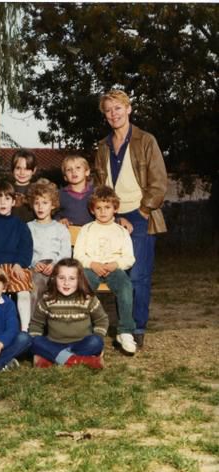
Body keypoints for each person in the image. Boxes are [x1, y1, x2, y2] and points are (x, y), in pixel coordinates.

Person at [94, 89, 167, 347]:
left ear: (129, 109)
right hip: (111, 217)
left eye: (118, 108)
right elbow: (99, 185)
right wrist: (108, 216)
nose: (114, 114)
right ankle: (123, 328)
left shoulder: (146, 141)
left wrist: (143, 211)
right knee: (120, 276)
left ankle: (137, 329)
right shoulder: (103, 146)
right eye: (108, 110)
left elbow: (159, 184)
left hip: (140, 215)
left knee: (138, 276)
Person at [73, 186, 137, 355]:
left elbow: (129, 258)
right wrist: (92, 264)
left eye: (107, 207)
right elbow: (78, 255)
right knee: (85, 288)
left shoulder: (121, 231)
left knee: (125, 287)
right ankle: (84, 331)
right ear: (92, 210)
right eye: (98, 208)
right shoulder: (87, 229)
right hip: (91, 268)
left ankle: (125, 331)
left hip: (113, 268)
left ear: (115, 209)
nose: (103, 212)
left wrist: (116, 264)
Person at [29, 258, 108, 369]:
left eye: (72, 278)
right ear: (54, 278)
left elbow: (102, 320)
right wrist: (35, 338)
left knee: (95, 342)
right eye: (61, 278)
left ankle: (54, 358)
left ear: (79, 280)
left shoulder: (87, 298)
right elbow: (36, 324)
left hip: (81, 344)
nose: (66, 283)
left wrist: (98, 335)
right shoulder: (47, 299)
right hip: (54, 343)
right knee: (35, 341)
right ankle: (81, 360)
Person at [0, 180, 33, 331]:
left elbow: (26, 247)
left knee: (23, 292)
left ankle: (24, 329)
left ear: (14, 201)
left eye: (7, 199)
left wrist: (19, 263)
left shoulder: (20, 224)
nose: (3, 202)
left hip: (16, 266)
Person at [26, 179, 71, 317]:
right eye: (37, 203)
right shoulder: (28, 227)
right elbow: (24, 251)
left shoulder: (60, 228)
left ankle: (57, 326)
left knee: (59, 286)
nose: (40, 207)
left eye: (45, 203)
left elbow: (66, 252)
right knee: (35, 287)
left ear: (53, 205)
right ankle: (34, 326)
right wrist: (34, 262)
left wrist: (55, 264)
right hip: (36, 266)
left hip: (56, 266)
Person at [56, 155, 94, 226]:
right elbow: (53, 214)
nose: (73, 171)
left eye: (78, 168)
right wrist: (60, 219)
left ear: (87, 172)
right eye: (69, 170)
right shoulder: (60, 195)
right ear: (65, 177)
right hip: (70, 233)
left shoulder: (96, 193)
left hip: (92, 233)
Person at [10, 149, 37, 223]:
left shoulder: (38, 190)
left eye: (27, 169)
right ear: (12, 169)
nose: (22, 172)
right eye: (18, 168)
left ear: (34, 170)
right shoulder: (6, 189)